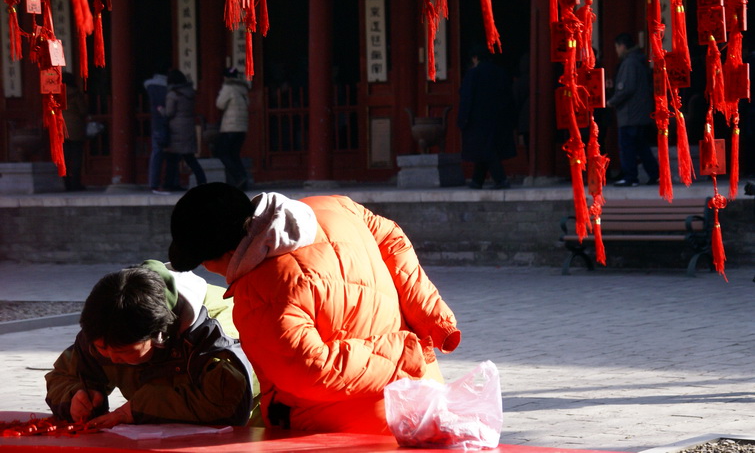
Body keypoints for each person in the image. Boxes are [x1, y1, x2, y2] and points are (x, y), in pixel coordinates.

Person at [168, 183, 461, 434]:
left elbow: (313, 372)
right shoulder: (330, 208)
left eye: (205, 263)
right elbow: (391, 237)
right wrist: (432, 319)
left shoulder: (258, 299)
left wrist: (404, 352)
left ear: (229, 253)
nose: (209, 271)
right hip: (422, 395)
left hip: (346, 431)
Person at [45, 260, 258, 428]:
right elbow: (63, 376)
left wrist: (136, 409)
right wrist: (75, 396)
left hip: (252, 431)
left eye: (124, 351)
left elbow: (226, 404)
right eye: (102, 348)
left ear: (159, 336)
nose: (110, 357)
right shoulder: (106, 326)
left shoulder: (217, 332)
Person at [457, 44, 517, 189]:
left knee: (486, 150)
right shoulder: (500, 73)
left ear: (475, 58)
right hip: (499, 118)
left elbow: (467, 98)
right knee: (487, 149)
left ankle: (501, 179)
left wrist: (462, 119)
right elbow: (509, 97)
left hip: (478, 119)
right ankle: (477, 181)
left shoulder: (473, 74)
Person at [606, 33, 659, 187]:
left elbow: (626, 89)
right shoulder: (638, 60)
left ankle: (631, 177)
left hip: (630, 113)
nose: (616, 51)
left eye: (616, 47)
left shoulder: (629, 63)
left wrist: (612, 101)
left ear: (622, 46)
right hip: (639, 112)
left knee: (627, 145)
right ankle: (655, 174)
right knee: (641, 146)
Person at [163, 69, 207, 190]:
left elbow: (169, 112)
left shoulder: (173, 94)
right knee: (190, 158)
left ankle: (169, 184)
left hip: (176, 128)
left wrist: (160, 110)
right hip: (188, 125)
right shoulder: (190, 92)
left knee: (172, 159)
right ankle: (202, 181)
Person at [215, 67, 252, 190]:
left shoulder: (228, 87)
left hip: (230, 127)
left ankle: (238, 177)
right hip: (242, 127)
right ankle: (243, 180)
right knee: (234, 155)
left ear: (225, 77)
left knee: (222, 153)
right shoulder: (243, 89)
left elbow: (219, 104)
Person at [144, 71, 172, 194]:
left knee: (156, 153)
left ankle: (154, 183)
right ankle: (156, 183)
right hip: (163, 123)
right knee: (160, 154)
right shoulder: (165, 90)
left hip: (155, 123)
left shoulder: (150, 88)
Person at [61, 72, 87, 191]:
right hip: (75, 128)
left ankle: (65, 183)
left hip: (61, 128)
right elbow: (83, 110)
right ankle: (75, 183)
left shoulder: (56, 93)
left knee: (64, 158)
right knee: (76, 157)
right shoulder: (76, 94)